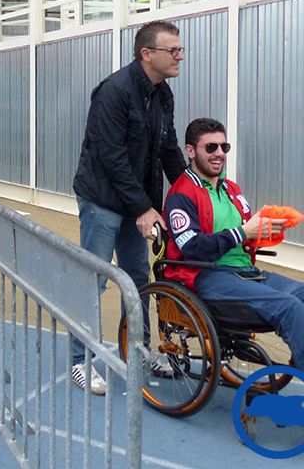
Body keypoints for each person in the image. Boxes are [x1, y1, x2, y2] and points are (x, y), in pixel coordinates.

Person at [71, 20, 188, 394]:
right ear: (147, 54)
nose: (180, 56)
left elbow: (168, 150)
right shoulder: (114, 92)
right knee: (94, 280)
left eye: (180, 50)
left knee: (138, 280)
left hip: (135, 202)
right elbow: (111, 157)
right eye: (173, 50)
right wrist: (143, 208)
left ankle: (135, 350)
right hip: (103, 200)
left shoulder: (163, 94)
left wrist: (193, 192)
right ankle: (80, 361)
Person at [164, 117, 304, 368]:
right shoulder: (181, 195)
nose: (219, 154)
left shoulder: (232, 189)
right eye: (210, 147)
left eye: (223, 147)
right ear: (190, 151)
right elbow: (192, 248)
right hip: (209, 276)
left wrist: (269, 226)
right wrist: (242, 232)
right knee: (289, 307)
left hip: (246, 272)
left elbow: (248, 235)